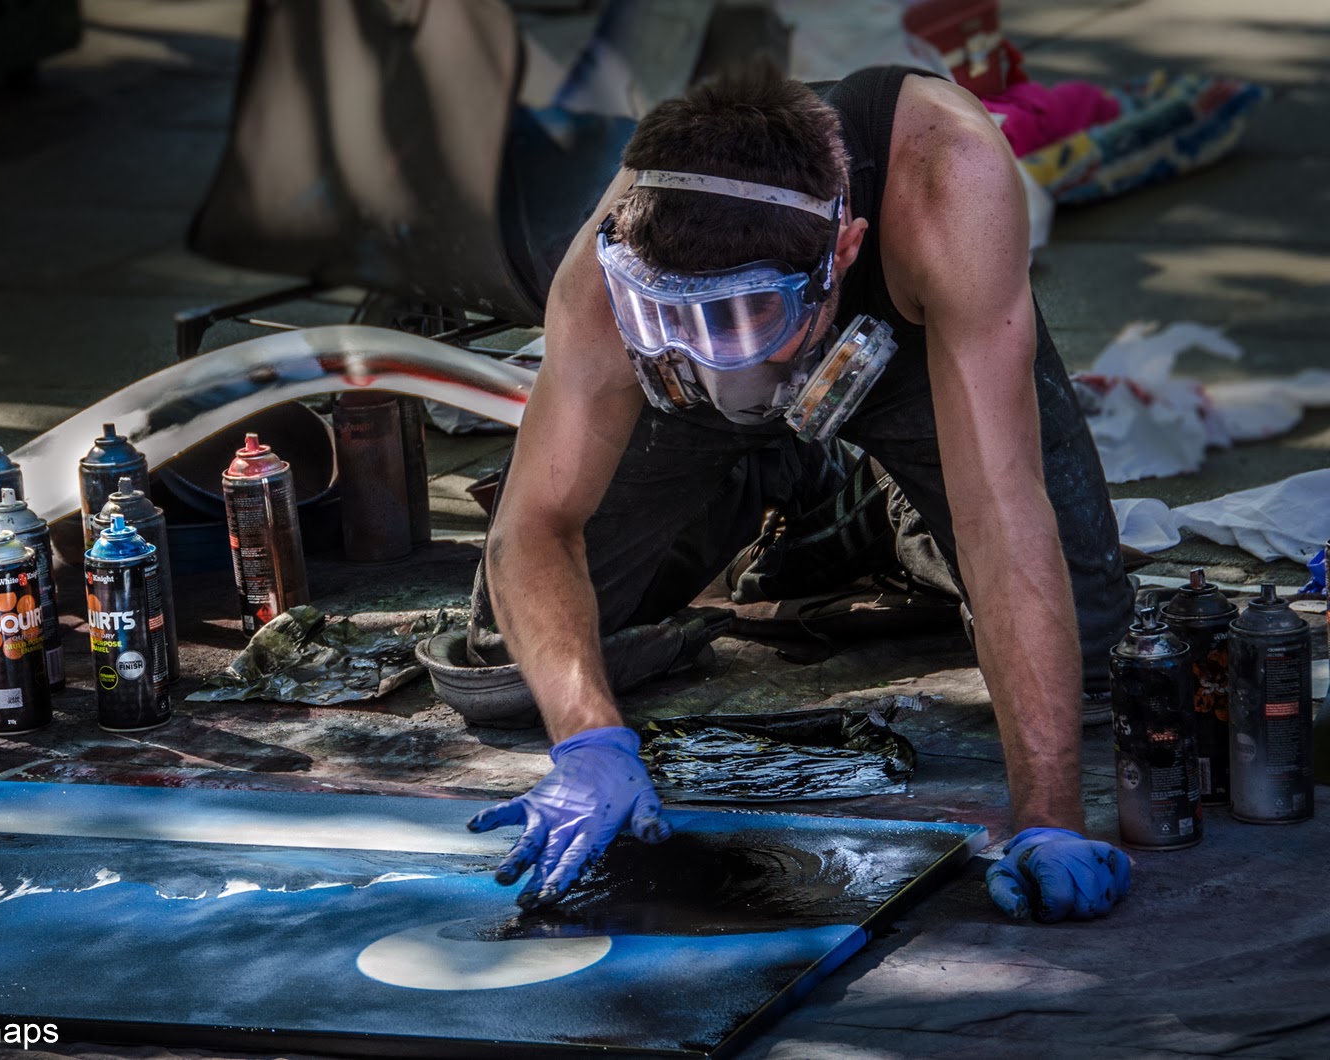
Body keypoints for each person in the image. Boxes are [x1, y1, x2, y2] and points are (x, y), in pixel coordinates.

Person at [463, 62, 1135, 924]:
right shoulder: (616, 266)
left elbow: (1002, 514)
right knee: (509, 667)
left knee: (1089, 653)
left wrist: (1048, 819)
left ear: (843, 250)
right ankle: (773, 472)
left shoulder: (947, 182)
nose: (714, 358)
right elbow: (536, 526)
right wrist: (588, 734)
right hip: (679, 408)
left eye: (742, 318)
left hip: (900, 361)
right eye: (673, 318)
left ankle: (869, 498)